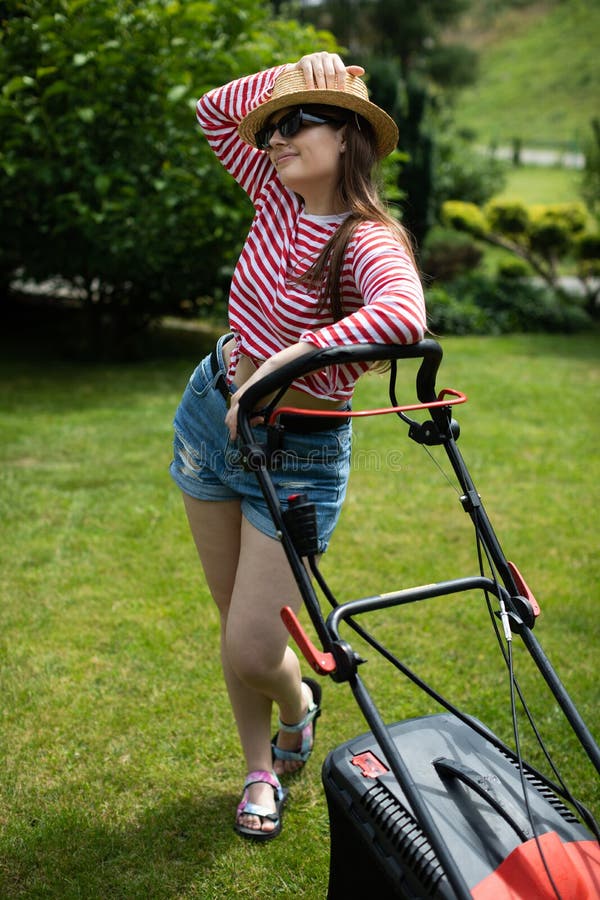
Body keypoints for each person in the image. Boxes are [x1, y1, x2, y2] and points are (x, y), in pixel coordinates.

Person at [169, 51, 426, 841]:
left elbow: (403, 317)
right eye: (274, 126)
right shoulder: (274, 195)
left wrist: (287, 360)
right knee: (230, 619)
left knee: (254, 645)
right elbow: (215, 108)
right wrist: (294, 76)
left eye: (300, 121)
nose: (277, 138)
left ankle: (299, 704)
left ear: (349, 136)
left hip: (301, 451)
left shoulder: (367, 237)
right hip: (213, 416)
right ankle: (259, 767)